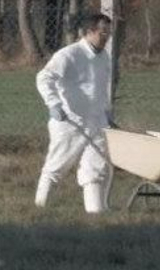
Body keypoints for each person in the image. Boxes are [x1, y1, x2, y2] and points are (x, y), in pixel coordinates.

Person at [33, 11, 115, 214]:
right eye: (102, 33)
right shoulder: (68, 54)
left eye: (108, 33)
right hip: (70, 121)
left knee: (95, 168)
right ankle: (39, 209)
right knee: (57, 166)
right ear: (89, 32)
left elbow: (101, 87)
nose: (106, 37)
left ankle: (95, 213)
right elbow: (44, 77)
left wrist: (106, 113)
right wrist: (54, 104)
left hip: (97, 122)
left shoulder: (104, 57)